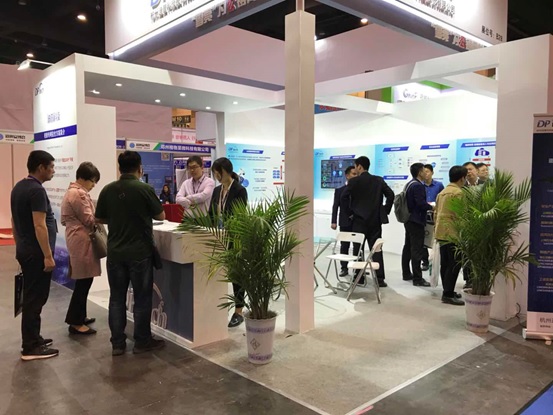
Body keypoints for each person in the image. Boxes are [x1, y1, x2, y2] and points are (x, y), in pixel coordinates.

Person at [95, 151, 166, 356]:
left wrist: (118, 218)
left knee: (116, 298)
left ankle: (118, 344)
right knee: (142, 298)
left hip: (115, 253)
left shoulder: (108, 189)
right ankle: (142, 341)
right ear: (140, 168)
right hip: (140, 253)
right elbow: (160, 215)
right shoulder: (144, 189)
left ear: (120, 168)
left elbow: (99, 218)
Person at [11, 150, 58, 361]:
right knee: (34, 299)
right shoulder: (37, 191)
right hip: (36, 254)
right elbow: (40, 225)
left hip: (26, 250)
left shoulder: (19, 187)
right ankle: (30, 346)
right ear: (41, 167)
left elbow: (14, 222)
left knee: (34, 297)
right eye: (51, 167)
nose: (53, 171)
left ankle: (34, 338)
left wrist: (20, 244)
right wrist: (47, 255)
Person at [61, 162, 102, 335]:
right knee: (83, 281)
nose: (93, 185)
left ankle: (80, 315)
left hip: (76, 238)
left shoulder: (71, 192)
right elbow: (89, 220)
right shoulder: (79, 194)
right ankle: (75, 322)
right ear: (85, 179)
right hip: (82, 240)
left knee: (84, 280)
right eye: (93, 181)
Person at [208, 157, 248, 327]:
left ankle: (239, 311)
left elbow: (240, 214)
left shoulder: (239, 190)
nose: (216, 175)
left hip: (234, 237)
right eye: (214, 173)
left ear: (226, 171)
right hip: (218, 236)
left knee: (236, 274)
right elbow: (211, 213)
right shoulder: (217, 190)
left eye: (218, 172)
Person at [346, 156, 394, 287]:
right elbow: (391, 195)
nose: (355, 169)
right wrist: (384, 210)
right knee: (376, 249)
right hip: (375, 221)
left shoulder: (354, 182)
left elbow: (344, 197)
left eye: (355, 166)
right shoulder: (378, 180)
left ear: (359, 166)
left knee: (358, 249)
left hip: (358, 221)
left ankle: (359, 277)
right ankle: (379, 278)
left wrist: (351, 211)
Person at [434, 166, 467, 306]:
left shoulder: (442, 193)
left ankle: (448, 290)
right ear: (462, 178)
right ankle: (447, 294)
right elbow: (461, 215)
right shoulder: (458, 193)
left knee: (445, 263)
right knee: (454, 264)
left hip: (441, 232)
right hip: (453, 233)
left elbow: (435, 213)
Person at [401, 163, 433, 287]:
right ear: (420, 172)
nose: (426, 173)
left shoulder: (409, 184)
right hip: (417, 221)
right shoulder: (418, 186)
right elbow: (420, 204)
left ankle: (406, 273)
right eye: (424, 171)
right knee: (417, 249)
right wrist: (431, 207)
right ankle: (417, 278)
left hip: (409, 220)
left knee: (408, 247)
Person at [331, 166, 357, 277]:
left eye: (357, 174)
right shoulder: (340, 190)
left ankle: (358, 268)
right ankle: (344, 267)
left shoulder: (360, 190)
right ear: (347, 175)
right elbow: (335, 206)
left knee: (358, 246)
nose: (356, 176)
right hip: (344, 221)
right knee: (344, 246)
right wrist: (333, 221)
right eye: (353, 174)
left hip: (357, 222)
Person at [421, 164, 444, 271]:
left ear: (432, 172)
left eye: (427, 171)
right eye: (423, 172)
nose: (425, 174)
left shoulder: (439, 185)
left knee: (437, 237)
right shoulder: (420, 185)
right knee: (423, 238)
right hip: (423, 214)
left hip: (435, 214)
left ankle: (438, 260)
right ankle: (425, 261)